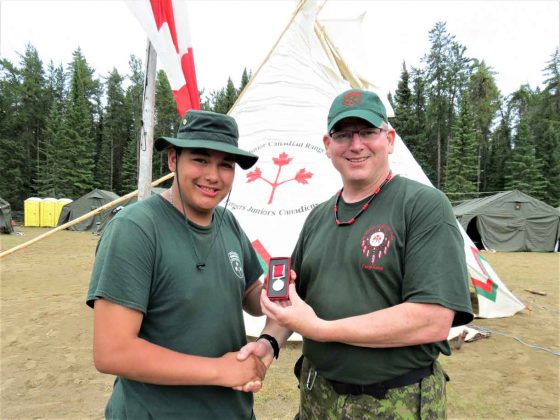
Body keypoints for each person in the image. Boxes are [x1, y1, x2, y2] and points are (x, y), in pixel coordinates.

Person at [238, 89, 474, 419]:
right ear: (328, 145)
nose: (356, 144)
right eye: (343, 134)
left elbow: (432, 321)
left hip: (395, 403)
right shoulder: (319, 217)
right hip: (318, 398)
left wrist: (320, 329)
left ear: (389, 139)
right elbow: (294, 304)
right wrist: (267, 344)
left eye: (367, 131)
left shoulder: (422, 206)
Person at [87, 110, 269, 419]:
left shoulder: (229, 224)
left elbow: (251, 295)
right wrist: (220, 371)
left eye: (226, 164)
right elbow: (112, 351)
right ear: (173, 159)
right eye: (200, 159)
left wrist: (277, 294)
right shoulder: (136, 228)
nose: (213, 175)